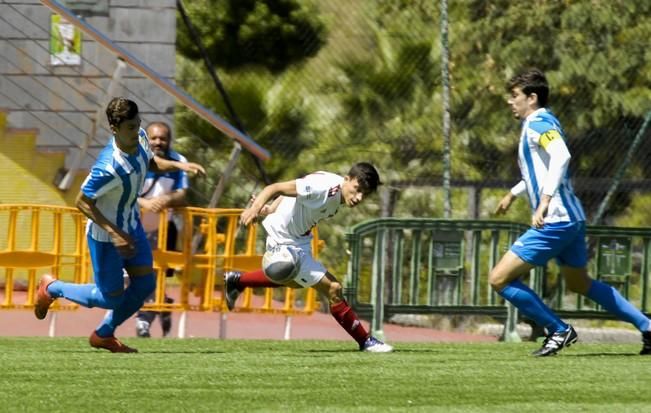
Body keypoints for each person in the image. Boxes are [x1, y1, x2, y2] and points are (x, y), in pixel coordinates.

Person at [490, 68, 651, 356]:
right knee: (580, 283)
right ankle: (647, 327)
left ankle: (558, 329)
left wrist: (544, 202)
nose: (509, 101)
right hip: (572, 218)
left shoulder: (537, 122)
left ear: (532, 98)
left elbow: (561, 155)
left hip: (556, 221)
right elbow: (543, 170)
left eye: (515, 96)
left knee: (499, 279)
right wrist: (513, 194)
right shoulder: (544, 121)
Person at [33, 97, 205, 353]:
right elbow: (82, 201)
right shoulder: (108, 167)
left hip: (131, 226)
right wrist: (115, 233)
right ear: (114, 128)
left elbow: (150, 162)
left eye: (138, 125)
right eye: (130, 128)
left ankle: (103, 334)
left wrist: (181, 165)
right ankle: (51, 288)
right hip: (106, 237)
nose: (137, 132)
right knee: (108, 298)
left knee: (146, 284)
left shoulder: (141, 137)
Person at [224, 162, 393, 352]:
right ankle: (366, 341)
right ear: (346, 179)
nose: (359, 197)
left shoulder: (337, 190)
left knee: (292, 279)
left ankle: (237, 281)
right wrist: (255, 209)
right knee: (332, 288)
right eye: (357, 189)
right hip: (283, 238)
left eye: (365, 194)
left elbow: (297, 187)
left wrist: (271, 208)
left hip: (300, 240)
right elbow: (275, 187)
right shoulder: (323, 188)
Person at [135, 121, 189, 338]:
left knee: (153, 276)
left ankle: (143, 322)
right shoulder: (133, 159)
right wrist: (145, 203)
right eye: (154, 138)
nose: (158, 142)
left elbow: (182, 193)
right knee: (126, 277)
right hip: (129, 227)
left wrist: (166, 199)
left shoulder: (178, 161)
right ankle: (160, 303)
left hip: (161, 229)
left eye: (162, 138)